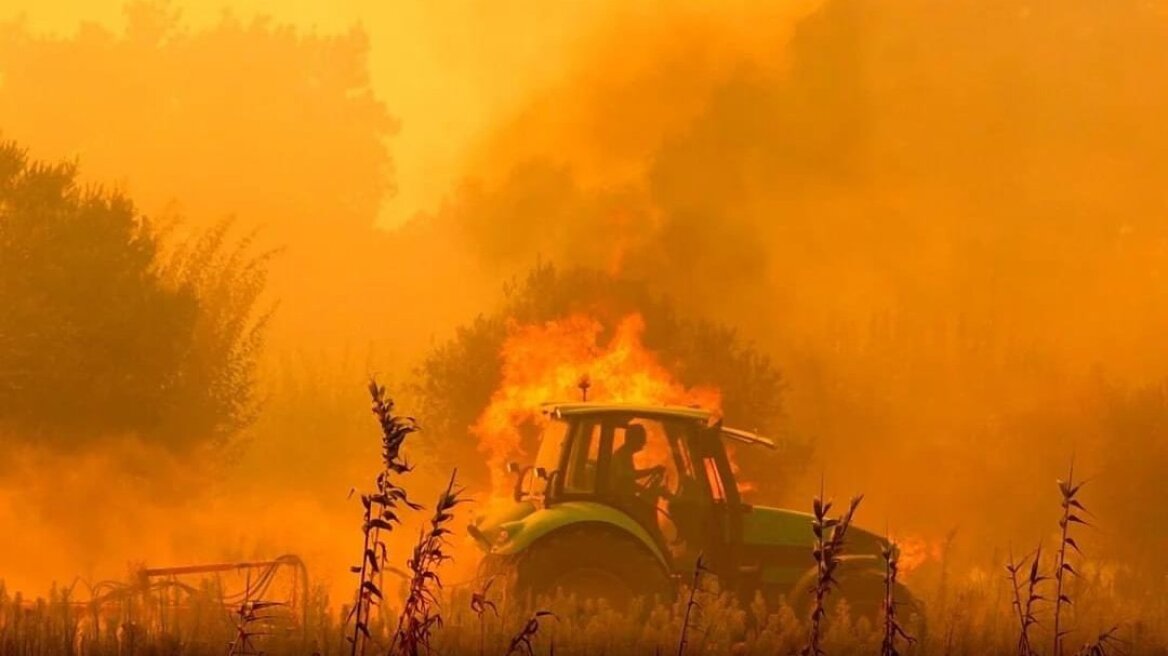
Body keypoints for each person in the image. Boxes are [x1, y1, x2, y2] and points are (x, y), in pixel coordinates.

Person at [609, 424, 665, 497]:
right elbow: (628, 479)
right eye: (641, 439)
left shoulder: (625, 454)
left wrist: (645, 490)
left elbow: (629, 481)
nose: (644, 443)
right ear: (634, 439)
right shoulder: (622, 456)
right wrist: (652, 471)